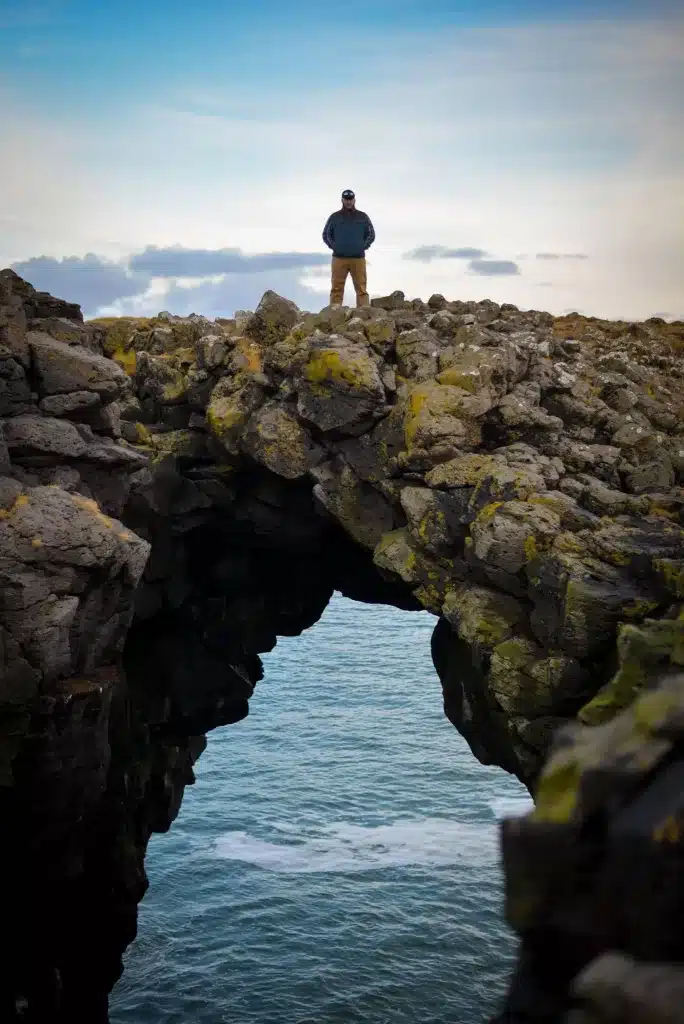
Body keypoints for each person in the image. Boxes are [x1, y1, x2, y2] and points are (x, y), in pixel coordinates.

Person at [322, 190, 375, 307]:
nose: (348, 202)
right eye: (346, 199)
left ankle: (364, 313)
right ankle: (334, 314)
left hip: (358, 258)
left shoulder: (363, 216)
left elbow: (371, 234)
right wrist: (335, 247)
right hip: (339, 258)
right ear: (342, 200)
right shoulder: (334, 217)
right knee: (336, 288)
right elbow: (326, 234)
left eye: (350, 199)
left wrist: (362, 246)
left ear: (354, 200)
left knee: (361, 288)